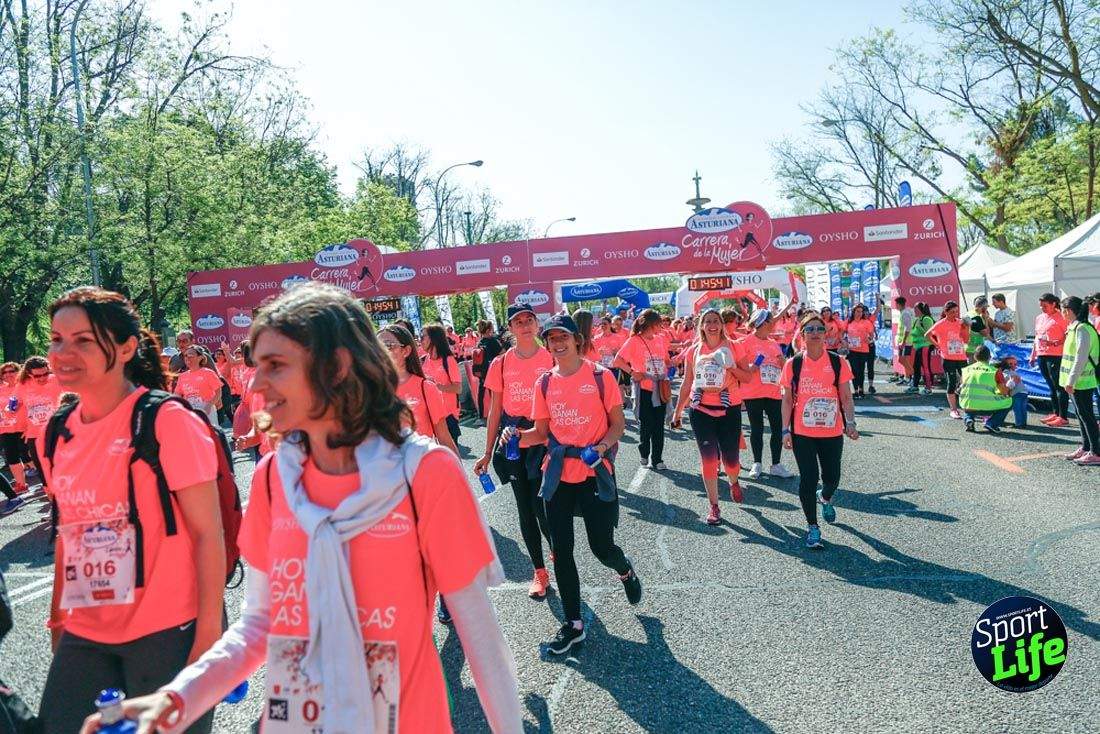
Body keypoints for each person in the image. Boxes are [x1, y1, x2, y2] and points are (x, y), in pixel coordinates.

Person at [83, 283, 523, 734]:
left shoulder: (425, 473)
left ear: (336, 367)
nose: (255, 384)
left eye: (275, 365)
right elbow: (261, 623)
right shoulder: (274, 478)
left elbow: (482, 643)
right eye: (256, 366)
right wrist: (176, 699)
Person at [40, 287, 225, 734]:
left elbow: (208, 535)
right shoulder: (56, 432)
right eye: (56, 339)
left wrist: (206, 641)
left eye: (83, 340)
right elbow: (69, 532)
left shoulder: (167, 421)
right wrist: (58, 618)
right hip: (87, 630)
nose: (63, 352)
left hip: (168, 632)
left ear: (125, 348)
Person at [506, 314, 639, 656]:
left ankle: (624, 569)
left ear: (576, 339)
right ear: (547, 344)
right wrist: (515, 435)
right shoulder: (544, 383)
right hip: (558, 475)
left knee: (601, 548)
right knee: (561, 552)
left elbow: (618, 423)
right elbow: (540, 432)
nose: (558, 343)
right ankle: (574, 624)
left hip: (595, 471)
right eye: (551, 339)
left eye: (563, 336)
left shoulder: (600, 376)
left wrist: (602, 447)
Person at [474, 304, 555, 600]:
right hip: (513, 441)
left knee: (542, 506)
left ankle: (557, 551)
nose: (524, 325)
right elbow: (495, 409)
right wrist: (486, 451)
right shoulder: (501, 363)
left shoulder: (550, 358)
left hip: (543, 437)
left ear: (536, 324)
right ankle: (539, 571)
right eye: (518, 321)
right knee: (525, 507)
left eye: (529, 320)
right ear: (510, 327)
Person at [780, 313, 859, 549]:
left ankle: (824, 497)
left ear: (826, 334)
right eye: (810, 329)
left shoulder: (837, 362)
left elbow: (846, 396)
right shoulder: (793, 364)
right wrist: (785, 430)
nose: (815, 333)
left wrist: (851, 423)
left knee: (832, 477)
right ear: (802, 335)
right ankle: (813, 526)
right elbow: (786, 400)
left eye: (819, 329)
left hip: (831, 431)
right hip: (802, 432)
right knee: (808, 478)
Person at [671, 309, 755, 524]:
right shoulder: (693, 351)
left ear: (722, 324)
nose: (712, 325)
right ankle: (714, 506)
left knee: (731, 461)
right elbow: (687, 382)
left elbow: (747, 377)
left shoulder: (734, 347)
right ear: (701, 326)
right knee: (709, 460)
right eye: (707, 321)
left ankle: (734, 481)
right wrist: (677, 411)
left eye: (716, 321)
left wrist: (731, 367)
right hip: (701, 410)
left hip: (729, 410)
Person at [379, 324, 458, 454]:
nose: (381, 352)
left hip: (421, 469)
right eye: (376, 346)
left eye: (388, 345)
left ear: (406, 351)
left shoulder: (426, 388)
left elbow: (444, 439)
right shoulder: (369, 391)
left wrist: (458, 473)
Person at [737, 310, 794, 481]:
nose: (774, 324)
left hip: (774, 391)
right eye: (771, 321)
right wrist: (753, 365)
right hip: (753, 392)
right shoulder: (745, 342)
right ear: (764, 323)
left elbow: (783, 365)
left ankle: (776, 465)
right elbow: (739, 366)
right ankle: (757, 463)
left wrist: (783, 363)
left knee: (777, 428)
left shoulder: (773, 343)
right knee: (757, 428)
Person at [614, 309, 671, 470]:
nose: (661, 327)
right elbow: (617, 360)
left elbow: (666, 360)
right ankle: (644, 453)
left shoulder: (661, 339)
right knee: (646, 425)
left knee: (659, 426)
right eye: (658, 324)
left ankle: (658, 459)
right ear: (651, 324)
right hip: (644, 390)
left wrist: (681, 356)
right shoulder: (634, 341)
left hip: (660, 388)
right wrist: (633, 372)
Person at [1058, 296, 1100, 465]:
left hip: (1081, 382)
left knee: (1087, 416)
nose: (1061, 313)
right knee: (1081, 415)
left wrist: (1071, 381)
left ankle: (1096, 452)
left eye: (1063, 310)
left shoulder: (1082, 329)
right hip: (1077, 382)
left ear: (1068, 311)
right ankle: (1086, 447)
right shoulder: (1075, 328)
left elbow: (1080, 358)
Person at [14, 356, 61, 484]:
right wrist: (11, 409)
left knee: (60, 468)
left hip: (57, 431)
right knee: (43, 472)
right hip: (34, 435)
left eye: (45, 374)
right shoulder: (22, 385)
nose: (42, 378)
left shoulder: (57, 380)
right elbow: (13, 405)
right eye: (37, 376)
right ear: (29, 374)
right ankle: (53, 500)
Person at [1030, 293, 1070, 427]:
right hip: (1042, 353)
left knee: (1059, 386)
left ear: (1054, 304)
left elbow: (1069, 335)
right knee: (1051, 386)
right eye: (1041, 306)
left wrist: (1055, 343)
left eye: (1045, 305)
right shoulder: (1039, 318)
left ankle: (1063, 416)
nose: (1042, 308)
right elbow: (1037, 336)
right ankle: (1056, 412)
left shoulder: (1062, 317)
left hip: (1056, 355)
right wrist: (1033, 354)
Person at [926, 301, 971, 419]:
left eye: (956, 312)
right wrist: (937, 345)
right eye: (952, 312)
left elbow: (966, 340)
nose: (955, 314)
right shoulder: (941, 324)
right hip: (948, 357)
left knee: (967, 381)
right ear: (945, 312)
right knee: (951, 383)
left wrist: (966, 328)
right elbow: (927, 335)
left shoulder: (961, 322)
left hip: (961, 356)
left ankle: (968, 406)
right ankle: (954, 410)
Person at [420, 323, 463, 440]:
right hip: (431, 415)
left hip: (448, 415)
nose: (420, 340)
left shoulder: (448, 360)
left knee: (451, 455)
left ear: (433, 339)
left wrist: (436, 387)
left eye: (423, 336)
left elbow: (458, 388)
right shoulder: (423, 361)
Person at [959, 345, 1013, 433]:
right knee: (1009, 401)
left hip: (969, 404)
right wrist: (1010, 386)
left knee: (968, 403)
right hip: (988, 406)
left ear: (975, 357)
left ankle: (969, 419)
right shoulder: (995, 371)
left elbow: (961, 386)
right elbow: (1003, 391)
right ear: (989, 357)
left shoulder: (966, 370)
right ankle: (992, 424)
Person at [173, 346, 223, 426]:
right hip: (190, 411)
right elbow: (177, 394)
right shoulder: (182, 376)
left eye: (191, 355)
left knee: (210, 435)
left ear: (200, 357)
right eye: (185, 355)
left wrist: (209, 405)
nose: (187, 358)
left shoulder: (208, 373)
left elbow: (218, 392)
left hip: (206, 410)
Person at [0, 362, 29, 496]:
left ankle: (49, 481)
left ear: (18, 371)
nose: (8, 374)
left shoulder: (24, 386)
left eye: (11, 371)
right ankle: (21, 485)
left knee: (29, 457)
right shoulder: (1, 389)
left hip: (24, 427)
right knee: (12, 458)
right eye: (5, 373)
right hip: (6, 428)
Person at [844, 304, 876, 398]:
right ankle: (856, 391)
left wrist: (869, 339)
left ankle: (861, 390)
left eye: (861, 311)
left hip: (863, 349)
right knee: (854, 370)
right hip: (852, 350)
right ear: (853, 312)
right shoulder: (849, 322)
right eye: (857, 311)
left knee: (861, 371)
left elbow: (871, 335)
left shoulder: (866, 322)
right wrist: (844, 341)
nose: (859, 313)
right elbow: (842, 333)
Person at [909, 302, 935, 395]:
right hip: (918, 347)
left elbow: (930, 334)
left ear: (921, 310)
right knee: (916, 367)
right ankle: (915, 386)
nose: (914, 311)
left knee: (926, 367)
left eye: (916, 309)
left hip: (925, 346)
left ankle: (928, 388)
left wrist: (920, 328)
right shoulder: (918, 319)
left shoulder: (926, 319)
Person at [997, 354, 1030, 428]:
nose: (1013, 365)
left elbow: (1009, 384)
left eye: (1014, 364)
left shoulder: (1005, 373)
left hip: (1016, 393)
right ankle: (1023, 423)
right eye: (1011, 364)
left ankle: (1018, 424)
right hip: (1024, 391)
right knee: (1023, 408)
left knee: (1017, 409)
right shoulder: (1015, 372)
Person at [893, 297, 914, 385]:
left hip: (906, 342)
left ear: (898, 304)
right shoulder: (904, 312)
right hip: (904, 341)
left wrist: (904, 341)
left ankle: (913, 377)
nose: (895, 306)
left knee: (902, 360)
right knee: (903, 360)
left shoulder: (905, 313)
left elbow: (908, 328)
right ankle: (908, 377)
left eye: (896, 304)